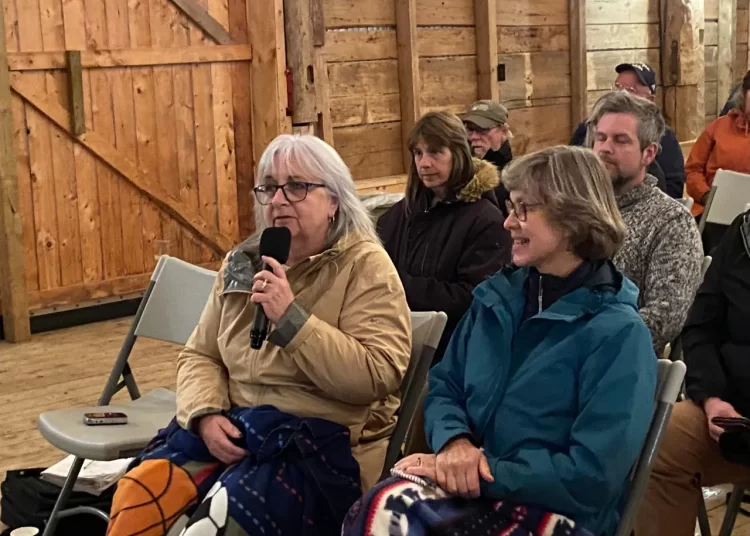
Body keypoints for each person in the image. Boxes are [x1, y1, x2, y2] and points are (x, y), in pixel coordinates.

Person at [106, 134, 413, 535]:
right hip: (234, 429)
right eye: (269, 187)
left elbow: (377, 376)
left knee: (218, 519)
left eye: (298, 186)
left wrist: (292, 319)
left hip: (317, 448)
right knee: (140, 490)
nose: (279, 199)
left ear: (334, 201)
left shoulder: (366, 267)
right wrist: (204, 415)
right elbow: (201, 354)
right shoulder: (244, 261)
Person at [343, 146, 657, 536]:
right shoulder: (498, 300)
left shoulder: (619, 334)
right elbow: (444, 386)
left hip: (557, 513)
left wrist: (480, 472)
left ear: (573, 218)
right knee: (378, 507)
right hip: (479, 490)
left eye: (524, 209)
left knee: (390, 515)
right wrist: (455, 443)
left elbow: (592, 476)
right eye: (511, 206)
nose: (508, 222)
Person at [635, 209, 750, 536]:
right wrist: (713, 399)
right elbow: (700, 327)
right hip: (735, 415)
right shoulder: (744, 232)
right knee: (659, 444)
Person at [378, 111, 510, 361]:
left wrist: (395, 286)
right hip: (392, 344)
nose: (424, 163)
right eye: (418, 153)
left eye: (436, 152)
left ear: (458, 153)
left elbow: (473, 298)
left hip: (450, 355)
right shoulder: (399, 215)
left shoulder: (486, 221)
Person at [585, 90, 703, 354]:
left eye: (620, 140)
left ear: (648, 154)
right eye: (600, 138)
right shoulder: (575, 209)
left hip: (615, 362)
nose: (604, 148)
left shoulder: (671, 221)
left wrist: (585, 344)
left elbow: (664, 318)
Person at [571, 62, 684, 199]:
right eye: (618, 87)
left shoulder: (665, 137)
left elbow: (674, 188)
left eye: (630, 90)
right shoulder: (586, 128)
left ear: (650, 99)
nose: (621, 93)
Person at [686, 70, 750, 219]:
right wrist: (706, 196)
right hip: (711, 211)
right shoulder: (718, 127)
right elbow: (693, 170)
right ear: (744, 94)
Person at [461, 100, 514, 214]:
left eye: (482, 129)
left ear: (503, 131)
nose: (474, 136)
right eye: (470, 129)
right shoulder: (460, 172)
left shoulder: (516, 178)